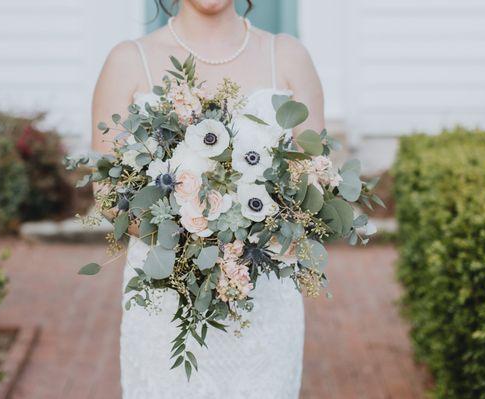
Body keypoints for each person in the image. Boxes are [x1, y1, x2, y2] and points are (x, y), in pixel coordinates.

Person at [91, 1, 325, 397]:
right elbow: (108, 193)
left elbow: (315, 181)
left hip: (263, 305)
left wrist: (250, 233)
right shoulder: (129, 61)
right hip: (166, 303)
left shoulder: (287, 56)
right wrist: (195, 234)